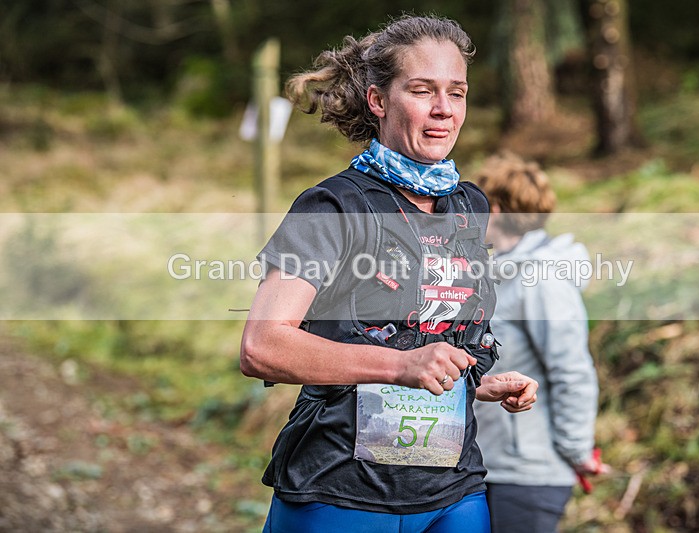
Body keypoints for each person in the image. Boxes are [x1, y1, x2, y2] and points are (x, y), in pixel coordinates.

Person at [240, 16, 538, 533]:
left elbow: (427, 331)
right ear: (378, 101)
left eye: (457, 93)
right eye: (422, 91)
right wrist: (401, 367)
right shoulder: (331, 207)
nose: (444, 109)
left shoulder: (469, 206)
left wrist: (472, 380)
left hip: (452, 490)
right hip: (338, 491)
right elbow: (262, 346)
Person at [472, 153, 608, 533]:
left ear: (494, 209)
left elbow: (572, 371)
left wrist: (577, 452)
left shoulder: (542, 280)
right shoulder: (500, 273)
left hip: (529, 474)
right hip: (489, 464)